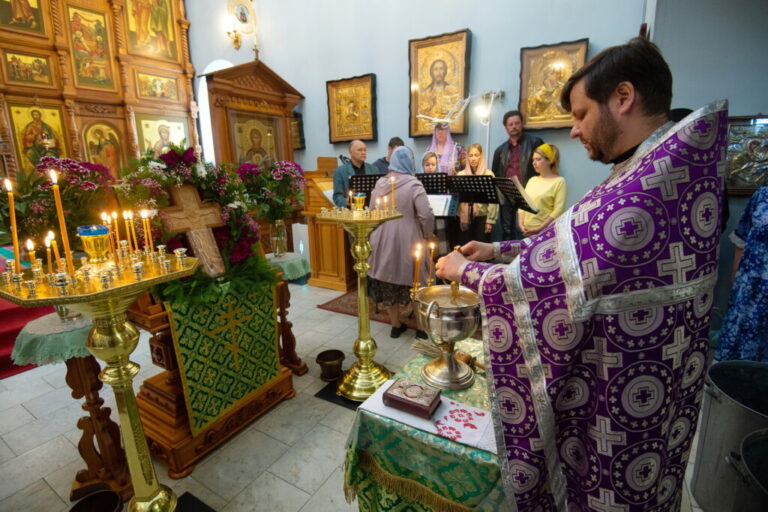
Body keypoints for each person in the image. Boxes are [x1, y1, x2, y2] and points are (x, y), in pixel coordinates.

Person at [436, 37, 728, 511]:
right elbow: (572, 248)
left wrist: (468, 271)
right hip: (651, 392)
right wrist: (497, 248)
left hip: (620, 407)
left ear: (623, 96)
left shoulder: (641, 193)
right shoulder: (656, 171)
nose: (573, 131)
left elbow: (551, 282)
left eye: (581, 114)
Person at [368, 146, 434, 338]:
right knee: (415, 281)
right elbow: (426, 214)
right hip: (407, 238)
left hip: (381, 237)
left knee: (388, 281)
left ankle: (396, 325)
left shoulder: (380, 183)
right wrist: (427, 233)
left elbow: (371, 211)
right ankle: (421, 329)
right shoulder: (414, 184)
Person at [716, 186, 768, 361]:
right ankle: (735, 372)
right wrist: (736, 273)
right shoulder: (762, 195)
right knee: (741, 328)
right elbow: (742, 236)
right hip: (751, 281)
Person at [491, 111, 543, 240]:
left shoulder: (535, 142)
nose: (514, 126)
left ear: (522, 124)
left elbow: (544, 165)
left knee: (526, 229)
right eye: (510, 124)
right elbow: (495, 173)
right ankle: (508, 252)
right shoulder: (500, 150)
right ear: (506, 127)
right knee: (506, 230)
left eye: (517, 123)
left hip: (528, 192)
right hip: (507, 193)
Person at [517, 143, 567, 237]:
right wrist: (521, 224)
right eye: (533, 159)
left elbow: (558, 210)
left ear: (550, 160)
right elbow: (523, 204)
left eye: (538, 159)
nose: (534, 163)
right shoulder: (532, 180)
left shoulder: (559, 181)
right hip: (526, 231)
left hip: (545, 232)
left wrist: (540, 228)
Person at [457, 143, 498, 245]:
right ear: (467, 157)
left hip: (482, 218)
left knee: (481, 247)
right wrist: (461, 216)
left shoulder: (488, 174)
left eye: (476, 155)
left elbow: (493, 201)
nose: (473, 158)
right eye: (470, 155)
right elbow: (458, 199)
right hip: (465, 218)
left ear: (481, 156)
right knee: (465, 247)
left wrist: (490, 221)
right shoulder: (461, 175)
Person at [332, 139, 377, 207]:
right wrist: (346, 202)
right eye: (360, 150)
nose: (363, 152)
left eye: (365, 150)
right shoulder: (339, 171)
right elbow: (337, 196)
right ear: (350, 152)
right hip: (351, 209)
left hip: (370, 208)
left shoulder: (373, 169)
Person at [418, 59, 460, 131]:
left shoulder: (452, 90)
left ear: (445, 71)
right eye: (435, 69)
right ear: (431, 72)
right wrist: (430, 105)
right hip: (430, 126)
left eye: (441, 69)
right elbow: (422, 114)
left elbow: (456, 112)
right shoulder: (426, 93)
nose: (438, 72)